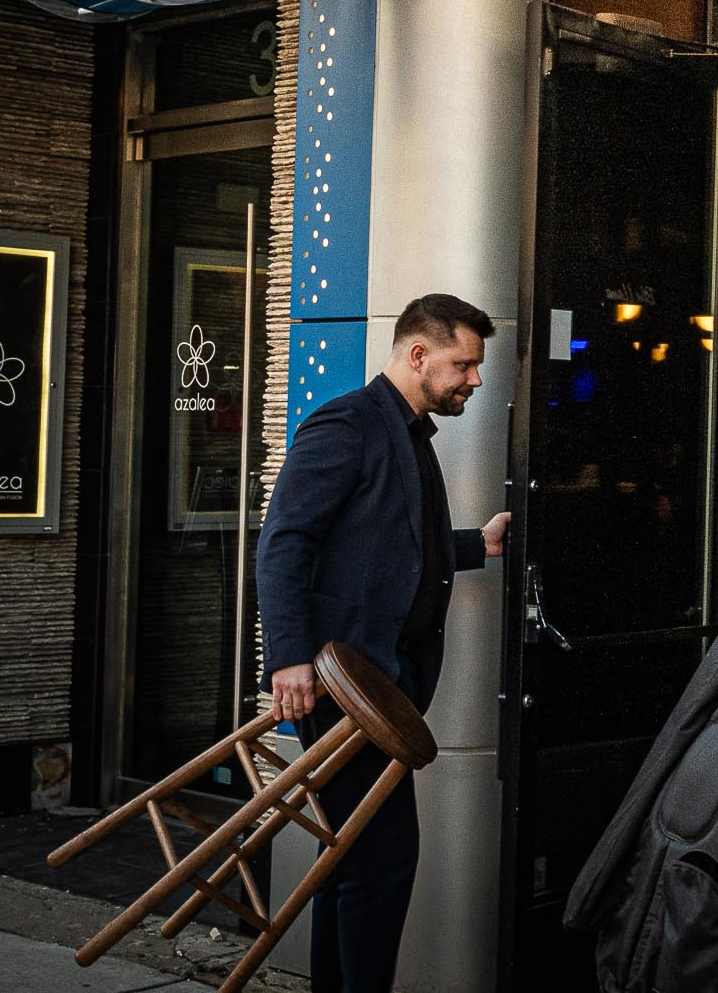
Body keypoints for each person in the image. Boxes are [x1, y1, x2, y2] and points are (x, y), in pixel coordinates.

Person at [256, 293, 510, 993]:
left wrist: (475, 545)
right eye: (464, 363)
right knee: (383, 862)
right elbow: (285, 543)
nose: (475, 381)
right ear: (418, 353)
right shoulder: (348, 422)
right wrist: (287, 659)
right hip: (340, 687)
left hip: (376, 686)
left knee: (358, 863)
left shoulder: (408, 429)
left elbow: (389, 545)